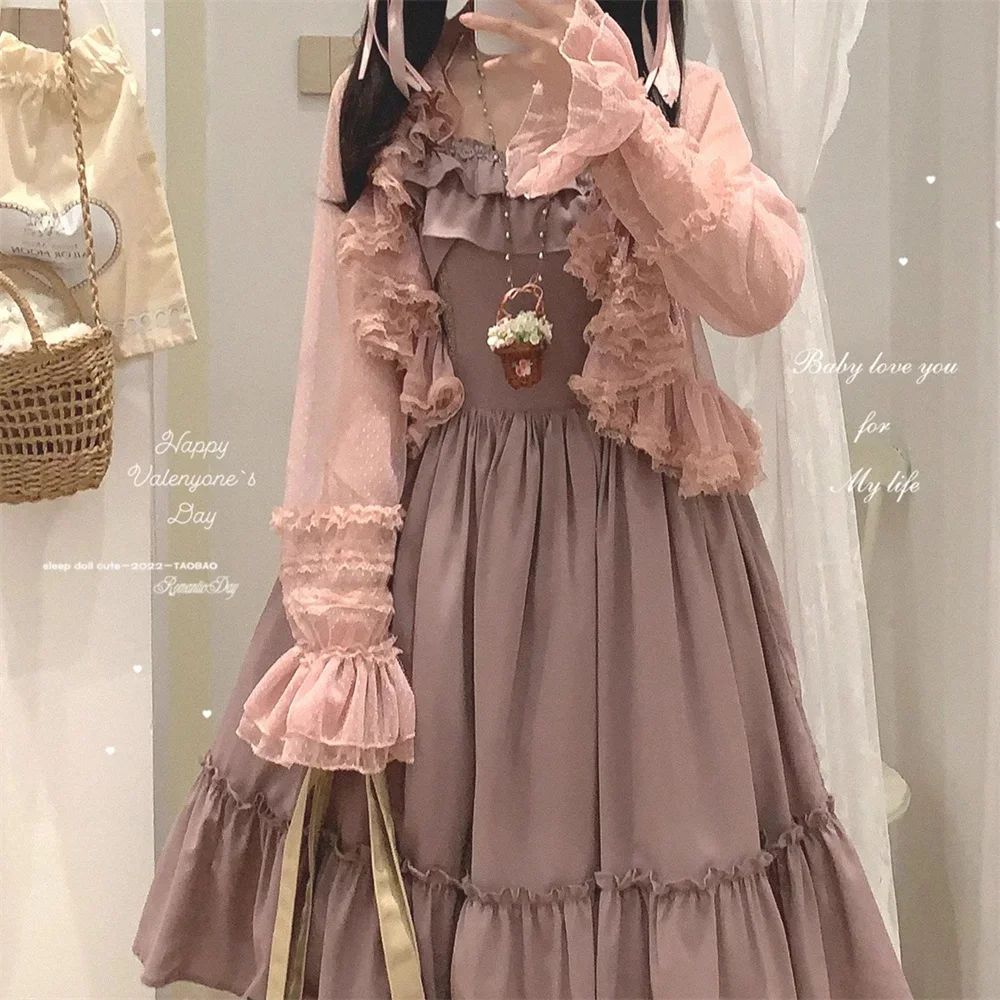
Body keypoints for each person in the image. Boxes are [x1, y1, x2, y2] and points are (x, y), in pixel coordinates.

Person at [134, 1, 914, 997]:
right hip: (447, 567)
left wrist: (627, 127)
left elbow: (758, 291)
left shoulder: (672, 98)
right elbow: (346, 383)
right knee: (439, 860)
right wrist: (342, 624)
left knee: (667, 846)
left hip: (645, 564)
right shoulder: (387, 109)